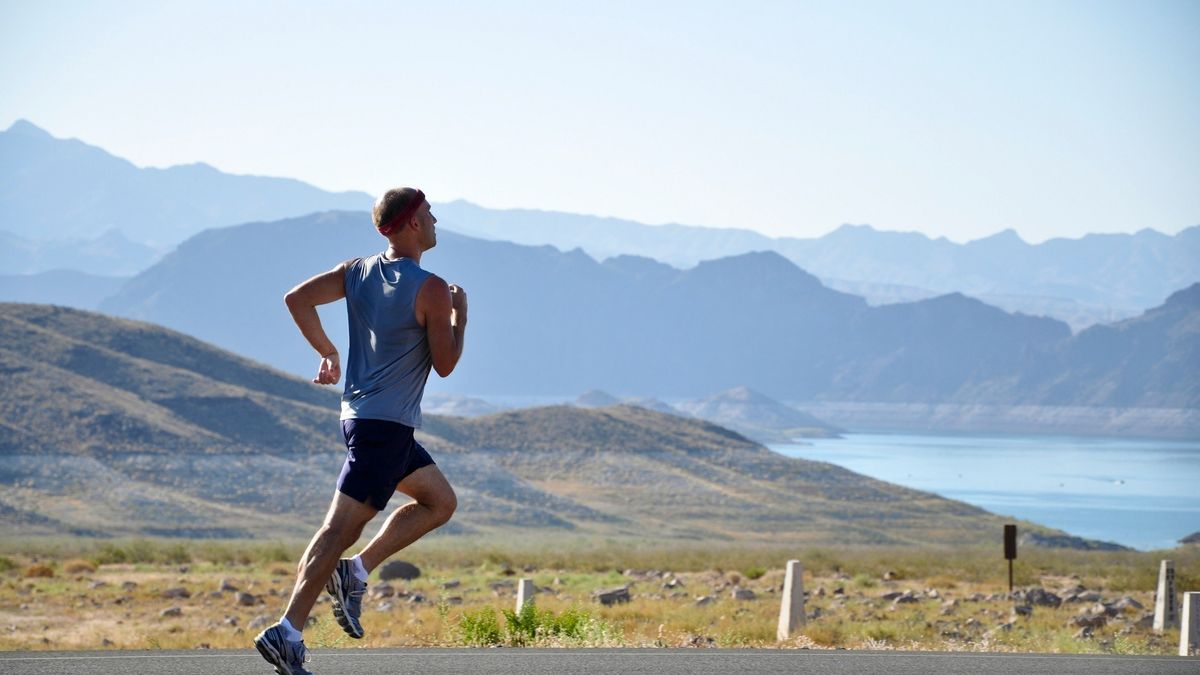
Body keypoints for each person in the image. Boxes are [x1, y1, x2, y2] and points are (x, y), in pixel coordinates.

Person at [254, 187, 466, 675]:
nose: (436, 222)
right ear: (412, 223)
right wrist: (461, 317)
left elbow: (297, 299)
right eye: (430, 215)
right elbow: (446, 363)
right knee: (336, 529)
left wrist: (327, 350)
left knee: (439, 502)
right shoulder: (430, 288)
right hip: (385, 429)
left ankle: (356, 570)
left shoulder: (357, 271)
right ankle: (287, 630)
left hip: (365, 420)